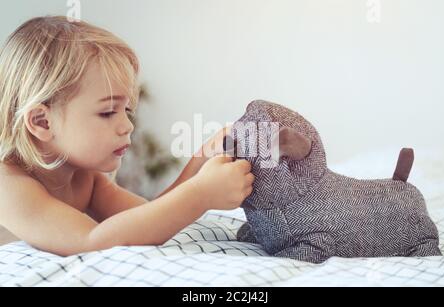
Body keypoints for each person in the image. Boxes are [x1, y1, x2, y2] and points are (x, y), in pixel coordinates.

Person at [0, 16, 254, 256]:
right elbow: (89, 241)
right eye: (108, 112)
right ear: (42, 122)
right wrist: (201, 194)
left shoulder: (86, 178)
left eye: (127, 111)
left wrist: (200, 161)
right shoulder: (8, 183)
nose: (127, 126)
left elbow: (147, 217)